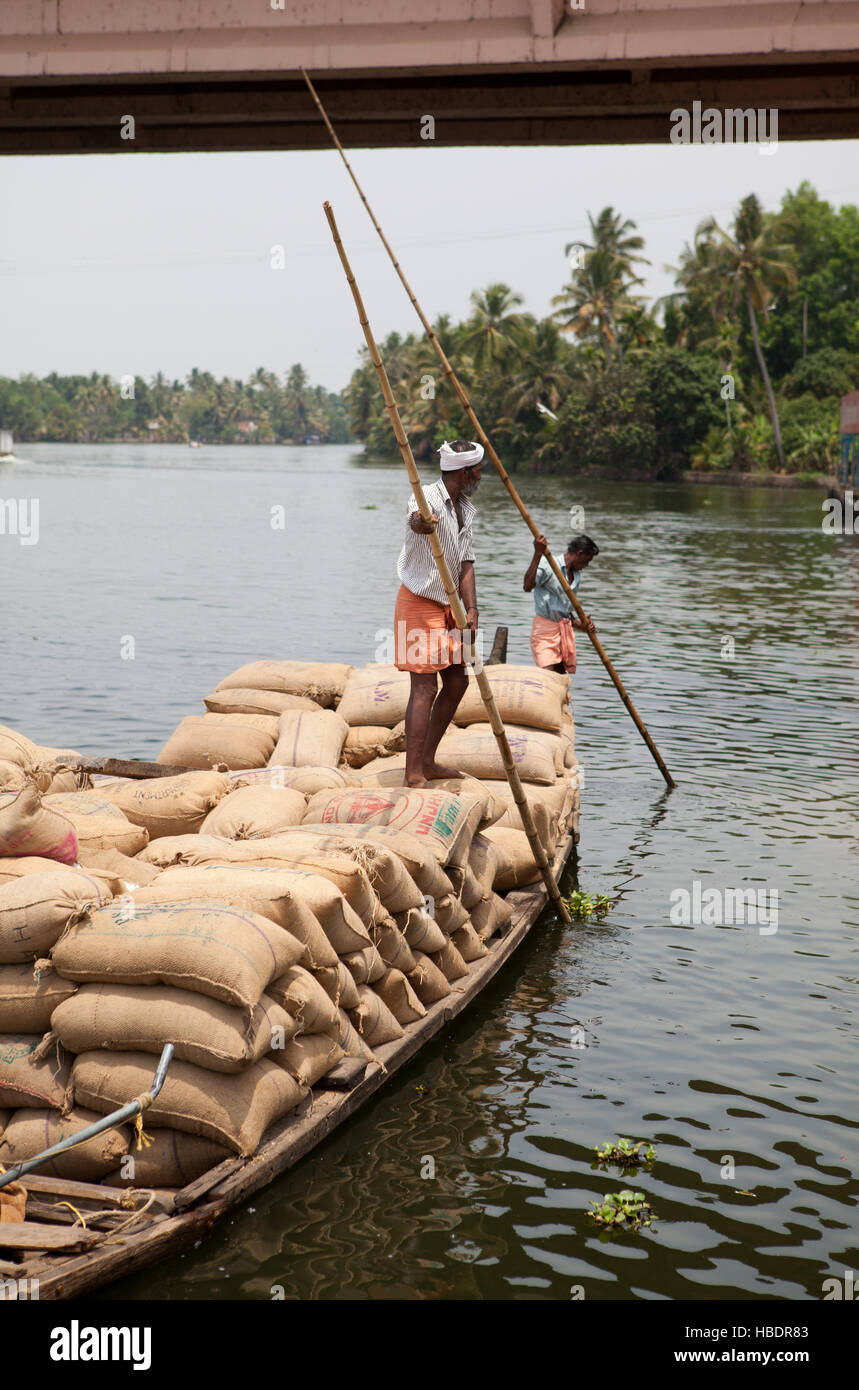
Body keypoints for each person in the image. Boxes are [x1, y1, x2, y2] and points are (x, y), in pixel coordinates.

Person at [394, 439, 483, 787]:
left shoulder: (464, 508)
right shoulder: (426, 499)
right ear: (465, 471)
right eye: (478, 470)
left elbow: (466, 562)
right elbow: (415, 520)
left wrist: (471, 607)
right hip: (419, 601)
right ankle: (412, 772)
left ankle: (427, 761)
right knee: (424, 688)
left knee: (458, 680)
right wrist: (422, 523)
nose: (481, 476)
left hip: (449, 605)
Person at [524, 533, 599, 674]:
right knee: (546, 675)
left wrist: (583, 626)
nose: (587, 565)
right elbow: (527, 586)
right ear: (579, 553)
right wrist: (537, 553)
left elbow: (565, 613)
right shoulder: (549, 565)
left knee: (559, 679)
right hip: (544, 632)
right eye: (586, 561)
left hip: (563, 633)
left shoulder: (576, 576)